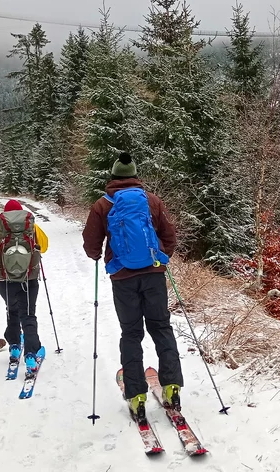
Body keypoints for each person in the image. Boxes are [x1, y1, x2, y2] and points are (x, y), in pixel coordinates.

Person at [82, 152, 182, 420]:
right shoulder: (152, 201)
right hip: (154, 275)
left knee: (131, 333)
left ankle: (136, 396)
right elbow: (169, 237)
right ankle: (172, 386)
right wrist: (160, 259)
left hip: (122, 277)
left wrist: (97, 254)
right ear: (136, 176)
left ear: (113, 176)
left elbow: (91, 245)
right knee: (161, 327)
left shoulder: (102, 205)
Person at [0, 199, 49, 374]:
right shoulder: (32, 228)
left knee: (12, 310)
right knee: (28, 314)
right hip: (29, 279)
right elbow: (44, 247)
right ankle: (31, 355)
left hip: (5, 280)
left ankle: (14, 347)